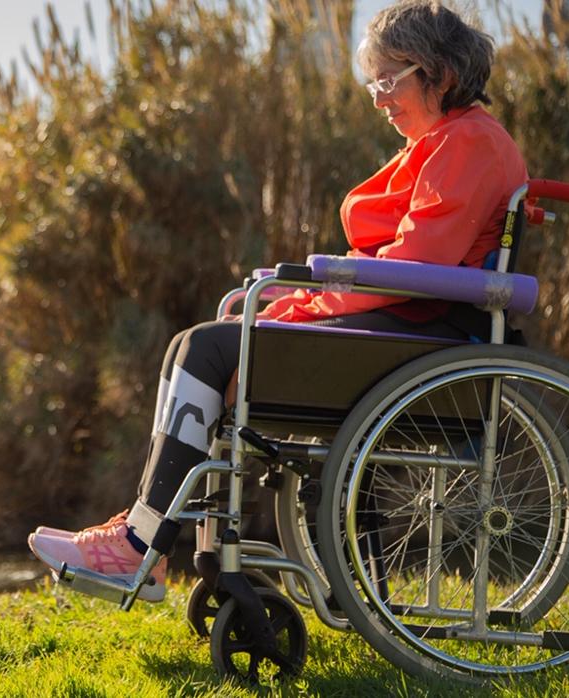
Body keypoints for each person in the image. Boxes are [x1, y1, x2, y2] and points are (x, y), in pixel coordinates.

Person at [28, 0, 528, 601]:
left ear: (440, 74)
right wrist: (296, 300)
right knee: (202, 342)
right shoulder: (446, 141)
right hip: (403, 327)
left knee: (205, 349)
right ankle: (147, 540)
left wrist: (304, 304)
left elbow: (414, 268)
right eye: (373, 82)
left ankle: (139, 545)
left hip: (419, 338)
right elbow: (401, 265)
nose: (377, 98)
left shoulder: (468, 143)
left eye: (389, 80)